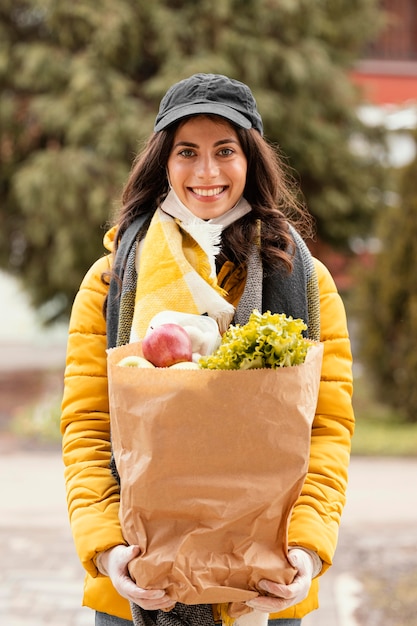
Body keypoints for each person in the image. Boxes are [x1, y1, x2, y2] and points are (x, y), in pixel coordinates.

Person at [61, 73, 354, 626]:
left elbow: (326, 428)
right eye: (186, 152)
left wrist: (308, 551)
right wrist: (106, 551)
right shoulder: (109, 284)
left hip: (266, 583)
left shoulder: (309, 286)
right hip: (138, 585)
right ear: (162, 164)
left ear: (251, 161)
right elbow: (88, 425)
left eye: (225, 151)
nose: (206, 172)